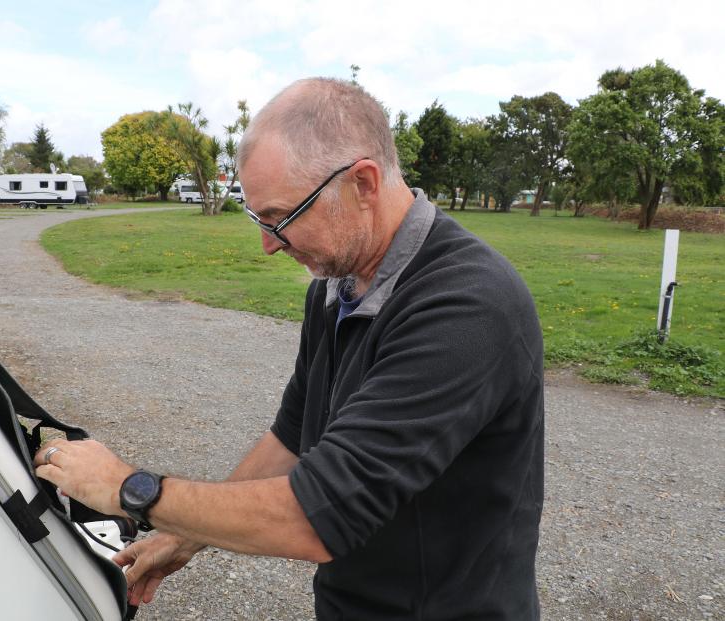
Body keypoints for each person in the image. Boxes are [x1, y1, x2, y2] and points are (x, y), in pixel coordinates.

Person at [34, 77, 545, 620]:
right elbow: (294, 433)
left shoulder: (467, 306)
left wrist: (127, 488)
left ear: (363, 185)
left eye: (280, 218)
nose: (267, 244)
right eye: (259, 219)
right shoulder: (336, 285)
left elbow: (320, 515)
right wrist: (184, 536)